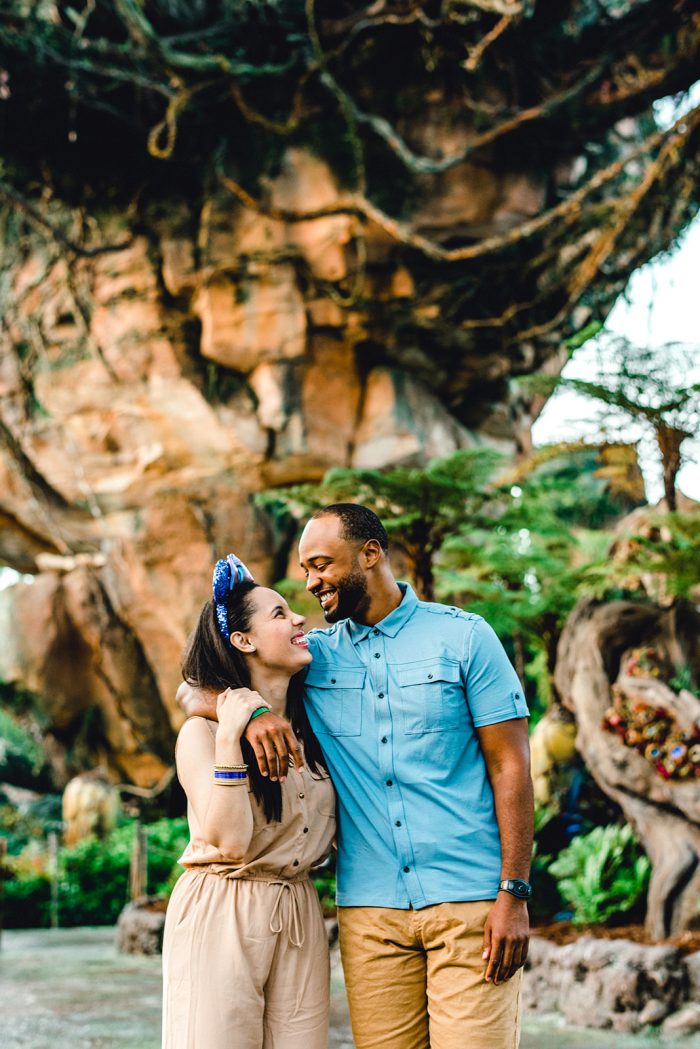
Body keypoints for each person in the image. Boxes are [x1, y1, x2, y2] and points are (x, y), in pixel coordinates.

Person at [179, 505, 534, 1049]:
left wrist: (514, 892)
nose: (310, 583)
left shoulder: (464, 638)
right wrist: (250, 713)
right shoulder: (312, 657)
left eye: (321, 564)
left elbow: (511, 766)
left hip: (469, 903)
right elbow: (192, 687)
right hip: (371, 916)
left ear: (370, 554)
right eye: (305, 569)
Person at [162, 554, 335, 1049]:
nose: (299, 619)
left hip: (298, 911)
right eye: (280, 614)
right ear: (243, 640)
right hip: (222, 909)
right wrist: (231, 734)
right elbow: (231, 843)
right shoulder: (201, 734)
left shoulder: (316, 725)